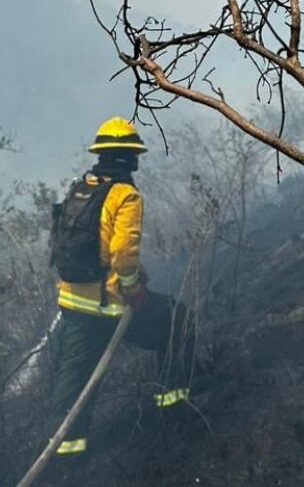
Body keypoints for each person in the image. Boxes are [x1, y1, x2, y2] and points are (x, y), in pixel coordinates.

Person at [48, 116, 195, 458]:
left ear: (100, 155)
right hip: (112, 303)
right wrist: (134, 289)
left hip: (73, 300)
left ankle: (66, 455)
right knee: (178, 322)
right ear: (130, 157)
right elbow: (122, 254)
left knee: (74, 380)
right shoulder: (124, 195)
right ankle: (173, 408)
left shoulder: (79, 188)